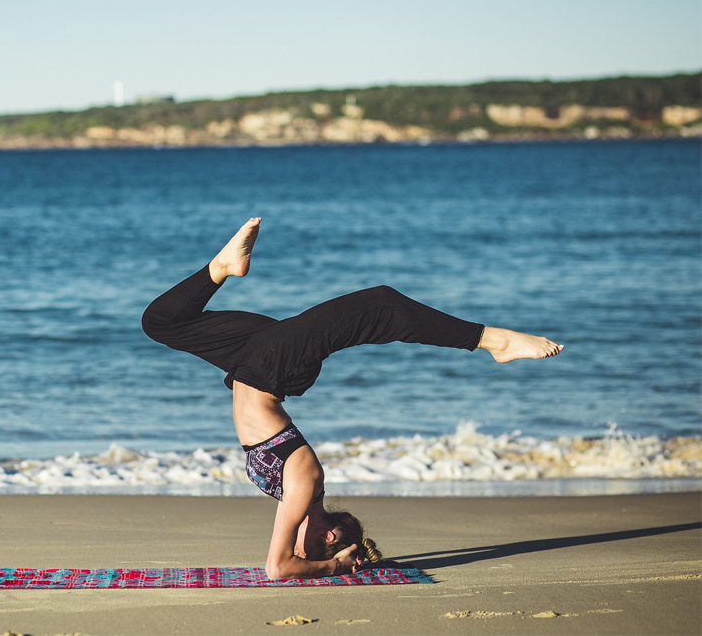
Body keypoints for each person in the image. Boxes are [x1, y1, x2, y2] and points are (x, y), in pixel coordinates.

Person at [142, 218, 563, 579]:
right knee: (381, 303)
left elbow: (282, 563)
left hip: (250, 361)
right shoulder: (305, 483)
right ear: (329, 534)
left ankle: (222, 267)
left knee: (161, 322)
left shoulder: (295, 496)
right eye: (306, 548)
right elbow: (278, 567)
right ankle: (495, 341)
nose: (295, 546)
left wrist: (339, 561)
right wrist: (335, 566)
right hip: (273, 367)